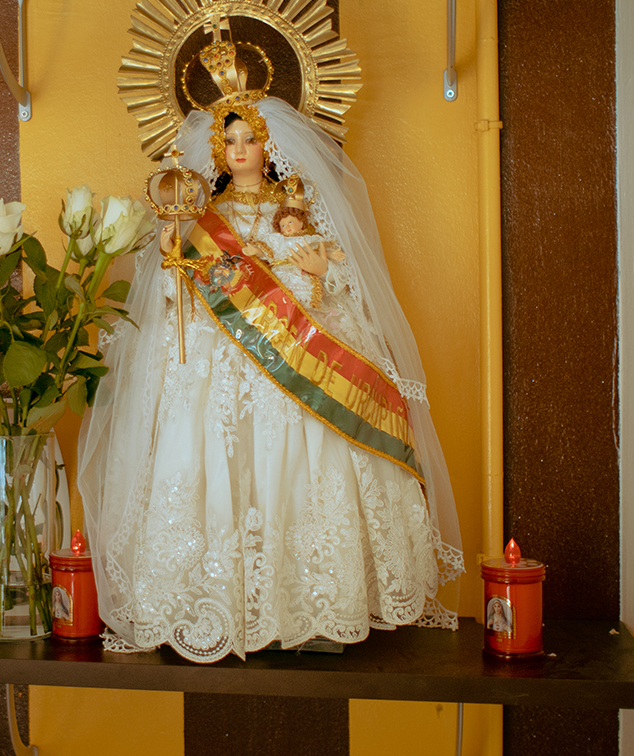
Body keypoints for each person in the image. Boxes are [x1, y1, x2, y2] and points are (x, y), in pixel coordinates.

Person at [76, 35, 463, 663]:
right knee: (206, 456)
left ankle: (311, 605)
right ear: (215, 148)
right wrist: (179, 270)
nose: (239, 151)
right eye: (228, 142)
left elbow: (340, 277)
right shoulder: (201, 212)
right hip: (213, 355)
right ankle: (210, 602)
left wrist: (314, 275)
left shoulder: (299, 207)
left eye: (249, 139)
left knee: (304, 461)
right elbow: (171, 289)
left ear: (269, 144)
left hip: (300, 349)